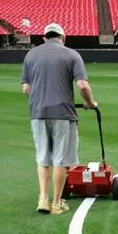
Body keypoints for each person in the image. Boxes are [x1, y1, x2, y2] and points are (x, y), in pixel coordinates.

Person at [21, 22, 98, 215]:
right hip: (63, 113)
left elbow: (26, 89)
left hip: (38, 113)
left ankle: (42, 199)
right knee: (61, 159)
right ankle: (56, 202)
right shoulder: (72, 54)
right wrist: (91, 102)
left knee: (43, 158)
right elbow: (82, 85)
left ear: (45, 37)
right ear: (63, 38)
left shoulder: (30, 55)